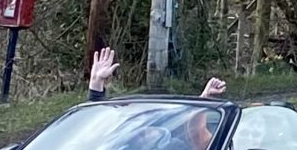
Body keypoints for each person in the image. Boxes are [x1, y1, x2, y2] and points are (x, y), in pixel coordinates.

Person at [86, 46, 227, 102]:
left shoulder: (173, 145)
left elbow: (187, 125)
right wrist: (96, 82)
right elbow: (95, 123)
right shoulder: (116, 144)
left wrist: (204, 100)